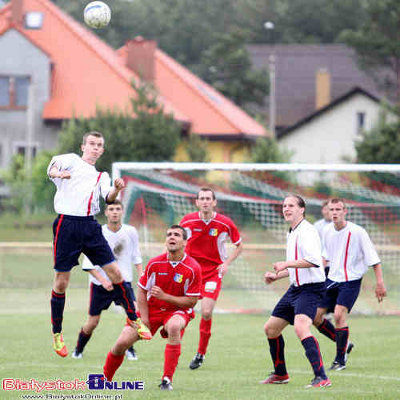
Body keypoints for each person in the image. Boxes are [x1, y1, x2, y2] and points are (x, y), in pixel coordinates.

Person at [47, 131, 151, 358]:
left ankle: (134, 319)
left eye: (99, 145)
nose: (95, 147)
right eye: (91, 143)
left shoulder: (101, 176)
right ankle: (57, 333)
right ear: (83, 146)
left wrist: (117, 188)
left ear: (102, 150)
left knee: (115, 272)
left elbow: (109, 197)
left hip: (90, 226)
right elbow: (51, 169)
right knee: (61, 282)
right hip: (66, 224)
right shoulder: (70, 160)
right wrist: (59, 173)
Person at [102, 225, 202, 390]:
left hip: (177, 311)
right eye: (169, 234)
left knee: (175, 326)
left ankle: (166, 380)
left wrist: (165, 297)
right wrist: (145, 320)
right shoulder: (155, 263)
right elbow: (141, 290)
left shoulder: (193, 268)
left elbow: (191, 302)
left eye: (177, 235)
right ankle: (105, 380)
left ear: (185, 242)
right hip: (152, 310)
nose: (172, 237)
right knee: (121, 343)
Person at [260, 195, 331, 388]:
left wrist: (286, 263)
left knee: (301, 328)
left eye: (291, 205)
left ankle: (322, 377)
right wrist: (278, 275)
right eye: (284, 206)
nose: (286, 209)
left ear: (302, 209)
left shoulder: (307, 231)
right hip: (295, 289)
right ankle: (281, 374)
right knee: (271, 329)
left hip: (311, 289)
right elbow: (297, 266)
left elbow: (313, 261)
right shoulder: (292, 231)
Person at [313, 198, 387, 371]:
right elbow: (325, 257)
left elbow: (374, 260)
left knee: (339, 315)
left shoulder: (358, 232)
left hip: (351, 280)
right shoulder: (326, 230)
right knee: (315, 316)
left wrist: (380, 283)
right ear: (327, 212)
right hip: (331, 279)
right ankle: (345, 345)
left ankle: (340, 360)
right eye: (332, 209)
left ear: (345, 212)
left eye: (338, 209)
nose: (335, 212)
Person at [179, 188, 243, 370]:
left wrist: (227, 263)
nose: (205, 202)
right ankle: (175, 347)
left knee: (206, 312)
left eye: (208, 199)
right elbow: (176, 242)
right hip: (192, 273)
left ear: (214, 202)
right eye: (202, 199)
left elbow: (239, 246)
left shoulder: (225, 223)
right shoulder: (187, 221)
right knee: (184, 309)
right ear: (197, 202)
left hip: (213, 272)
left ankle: (200, 353)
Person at [71, 200, 143, 360]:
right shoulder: (98, 233)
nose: (115, 212)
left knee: (134, 315)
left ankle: (129, 348)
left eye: (118, 208)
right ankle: (78, 349)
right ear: (106, 212)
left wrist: (142, 276)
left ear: (122, 211)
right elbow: (88, 264)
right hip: (100, 285)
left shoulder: (130, 231)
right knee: (92, 322)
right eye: (111, 209)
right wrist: (104, 281)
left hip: (124, 283)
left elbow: (136, 256)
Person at [314, 200, 332, 277]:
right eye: (325, 209)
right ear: (322, 211)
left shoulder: (339, 226)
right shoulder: (317, 225)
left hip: (335, 265)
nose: (327, 212)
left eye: (330, 209)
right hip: (321, 263)